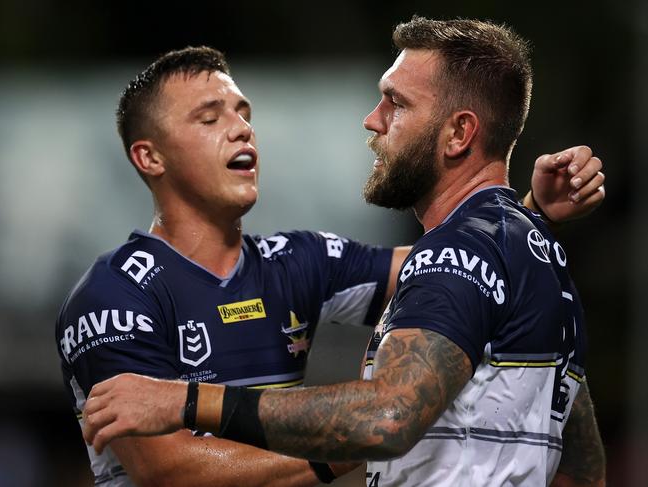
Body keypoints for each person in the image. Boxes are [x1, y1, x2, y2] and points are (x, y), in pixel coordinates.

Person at [73, 33, 605, 487]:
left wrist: (527, 217)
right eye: (210, 118)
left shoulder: (297, 261)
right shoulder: (113, 296)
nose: (241, 129)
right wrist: (364, 432)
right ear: (150, 156)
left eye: (243, 112)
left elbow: (467, 275)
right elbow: (170, 471)